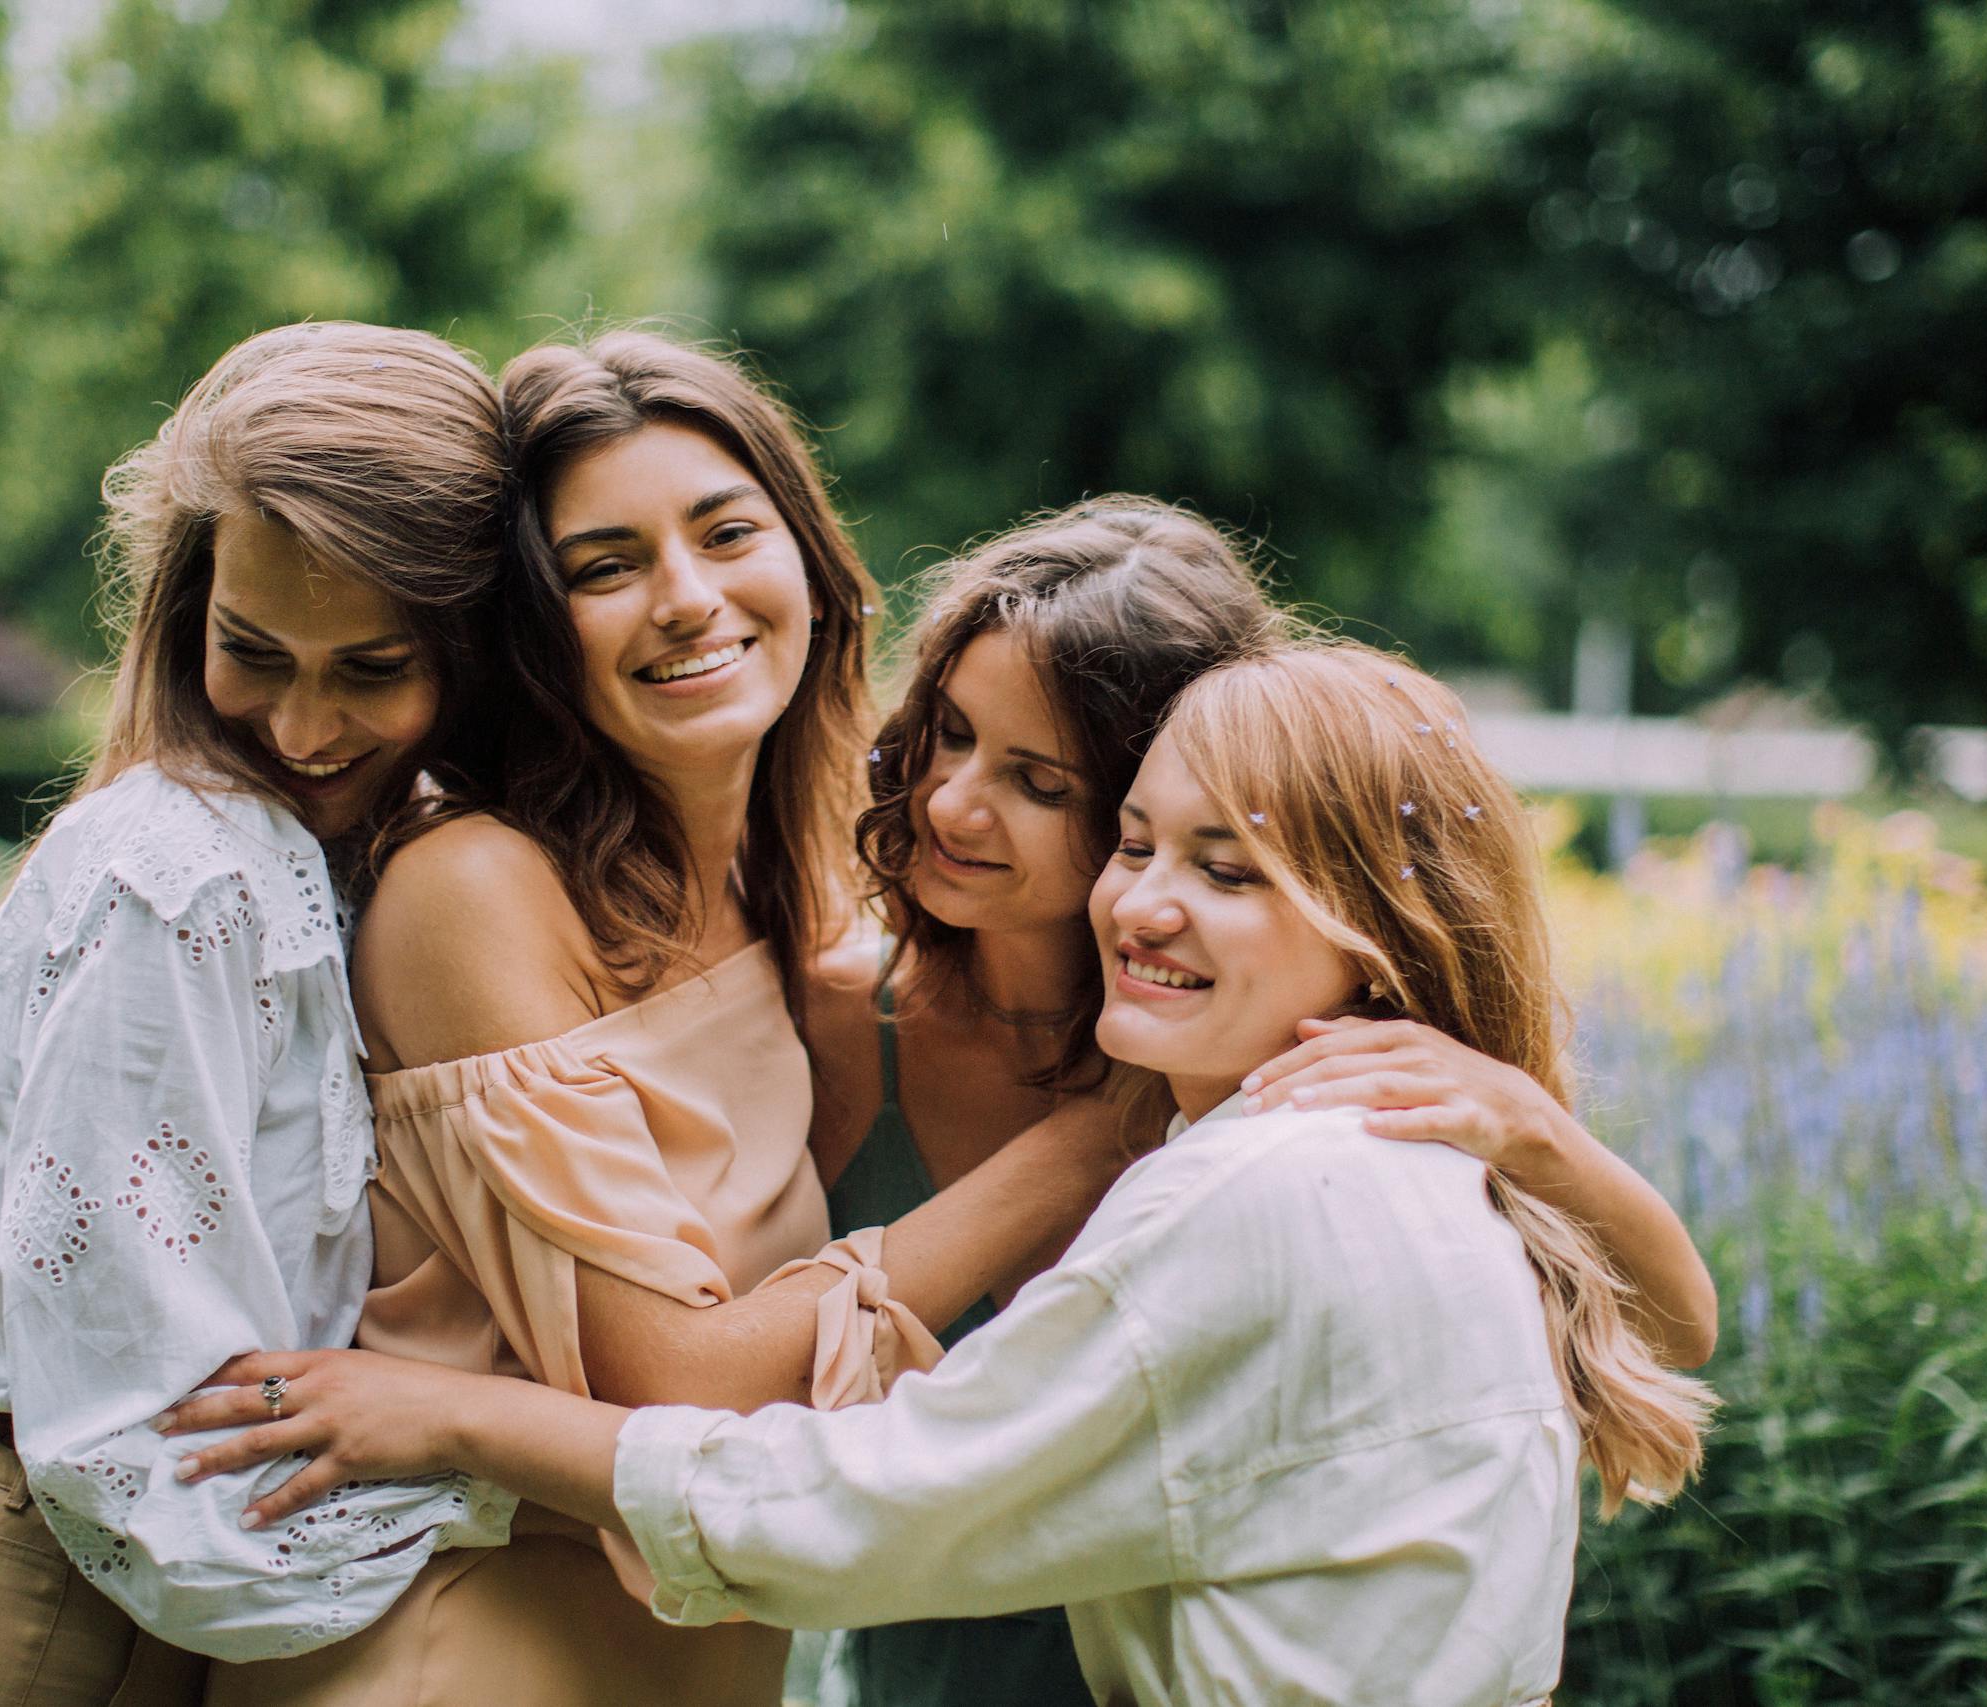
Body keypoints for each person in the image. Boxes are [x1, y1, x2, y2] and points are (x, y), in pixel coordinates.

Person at [162, 637, 1717, 1705]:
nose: (1144, 903)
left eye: (1230, 869)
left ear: (1378, 927)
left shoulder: (1266, 1189)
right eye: (1141, 842)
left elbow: (852, 1504)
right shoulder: (1410, 1145)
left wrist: (449, 1414)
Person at [198, 332, 1142, 1707]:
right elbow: (682, 1388)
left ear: (808, 558)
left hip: (693, 1656)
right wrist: (1102, 1132)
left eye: (726, 532)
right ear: (531, 628)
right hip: (469, 1648)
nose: (689, 600)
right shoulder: (479, 886)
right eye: (605, 567)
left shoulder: (779, 895)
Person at [791, 499, 1721, 1705]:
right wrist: (1090, 1142)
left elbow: (1669, 1329)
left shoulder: (1291, 1080)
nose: (951, 804)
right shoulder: (832, 1026)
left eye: (1038, 781)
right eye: (949, 734)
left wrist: (1532, 1123)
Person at [0, 322, 522, 1707]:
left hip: (185, 1596)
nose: (304, 728)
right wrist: (537, 1471)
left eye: (372, 668)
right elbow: (140, 1428)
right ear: (186, 604)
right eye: (251, 650)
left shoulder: (392, 854)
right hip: (50, 1598)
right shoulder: (179, 875)